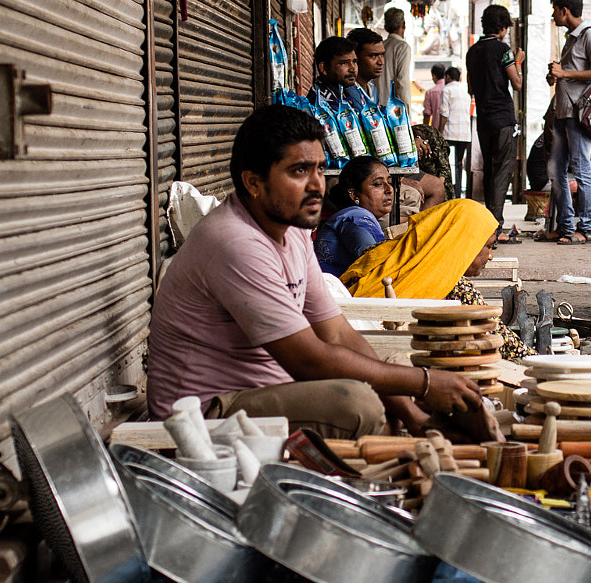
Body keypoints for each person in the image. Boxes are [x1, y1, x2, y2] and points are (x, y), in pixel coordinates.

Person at [145, 107, 483, 438]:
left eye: (320, 170)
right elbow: (309, 360)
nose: (317, 185)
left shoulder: (291, 229)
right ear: (253, 182)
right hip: (205, 412)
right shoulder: (235, 242)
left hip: (268, 388)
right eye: (299, 171)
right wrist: (424, 385)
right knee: (361, 405)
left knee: (396, 371)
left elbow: (337, 334)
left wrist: (414, 416)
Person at [343, 198, 528, 361]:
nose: (490, 256)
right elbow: (505, 344)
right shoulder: (455, 288)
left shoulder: (383, 251)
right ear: (465, 242)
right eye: (488, 246)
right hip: (381, 356)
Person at [541, 0, 591, 244]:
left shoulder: (589, 34)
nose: (553, 15)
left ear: (564, 11)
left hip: (579, 115)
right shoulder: (571, 37)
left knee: (581, 170)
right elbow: (568, 72)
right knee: (556, 170)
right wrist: (556, 75)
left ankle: (587, 227)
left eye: (554, 10)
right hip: (562, 112)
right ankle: (566, 226)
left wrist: (565, 74)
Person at [466, 4, 524, 241]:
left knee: (490, 169)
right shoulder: (503, 50)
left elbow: (471, 88)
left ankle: (488, 223)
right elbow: (517, 83)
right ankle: (495, 227)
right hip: (502, 118)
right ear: (501, 28)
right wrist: (518, 61)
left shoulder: (472, 51)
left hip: (484, 118)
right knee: (502, 171)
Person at [313, 156, 390, 277]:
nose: (389, 189)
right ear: (354, 195)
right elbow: (371, 256)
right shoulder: (356, 216)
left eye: (389, 182)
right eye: (378, 184)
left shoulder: (346, 216)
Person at [307, 35, 369, 115]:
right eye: (344, 63)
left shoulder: (350, 93)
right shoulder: (319, 104)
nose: (352, 69)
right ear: (324, 68)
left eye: (354, 61)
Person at [437, 66, 472, 197]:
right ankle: (457, 194)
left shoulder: (447, 90)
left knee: (449, 165)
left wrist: (439, 133)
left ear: (448, 77)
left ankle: (450, 194)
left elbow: (444, 113)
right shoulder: (465, 92)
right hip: (464, 135)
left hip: (450, 133)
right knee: (458, 164)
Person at [379, 7, 414, 109]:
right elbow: (402, 83)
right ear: (403, 25)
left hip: (377, 108)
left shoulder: (381, 46)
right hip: (393, 111)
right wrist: (407, 114)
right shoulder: (402, 47)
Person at [348, 27, 387, 106]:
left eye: (382, 55)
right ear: (355, 57)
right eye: (373, 56)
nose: (381, 62)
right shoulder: (346, 93)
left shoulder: (371, 87)